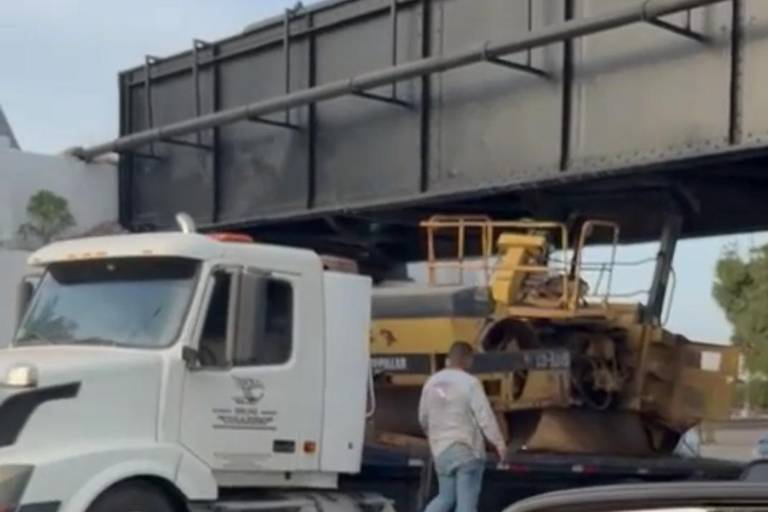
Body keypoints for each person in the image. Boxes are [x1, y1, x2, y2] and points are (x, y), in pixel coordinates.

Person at [419, 341, 507, 512]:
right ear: (468, 360)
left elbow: (423, 417)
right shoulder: (470, 383)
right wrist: (499, 444)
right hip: (466, 449)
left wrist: (434, 437)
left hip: (441, 451)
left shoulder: (431, 383)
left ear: (448, 359)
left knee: (445, 497)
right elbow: (485, 416)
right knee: (466, 506)